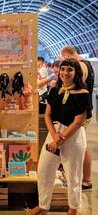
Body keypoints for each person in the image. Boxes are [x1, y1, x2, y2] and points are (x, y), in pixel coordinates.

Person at [29, 59, 90, 215]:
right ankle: (43, 206)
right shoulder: (56, 90)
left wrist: (59, 138)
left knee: (73, 175)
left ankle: (73, 209)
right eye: (63, 69)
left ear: (76, 73)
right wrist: (54, 136)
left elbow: (78, 122)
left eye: (69, 69)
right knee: (44, 170)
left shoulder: (83, 94)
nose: (65, 73)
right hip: (54, 132)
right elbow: (47, 115)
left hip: (73, 137)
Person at [61, 45, 94, 190]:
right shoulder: (87, 64)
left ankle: (85, 180)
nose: (66, 72)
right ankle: (83, 179)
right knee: (81, 144)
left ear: (67, 55)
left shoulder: (80, 65)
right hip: (81, 110)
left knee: (82, 145)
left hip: (80, 112)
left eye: (68, 69)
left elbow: (76, 86)